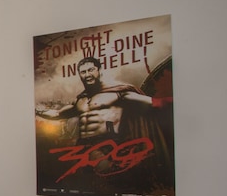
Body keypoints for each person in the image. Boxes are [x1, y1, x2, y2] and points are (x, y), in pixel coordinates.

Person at [35, 56, 170, 144]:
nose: (87, 75)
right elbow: (57, 114)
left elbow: (155, 103)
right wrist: (35, 111)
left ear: (99, 70)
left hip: (109, 145)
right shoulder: (81, 101)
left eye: (91, 70)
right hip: (84, 147)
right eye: (83, 72)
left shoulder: (117, 93)